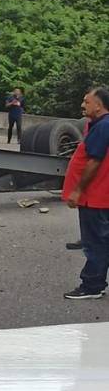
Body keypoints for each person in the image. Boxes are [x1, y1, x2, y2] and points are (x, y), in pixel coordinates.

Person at [62, 87, 109, 300]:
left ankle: (92, 285)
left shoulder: (103, 126)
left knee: (95, 242)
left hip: (95, 196)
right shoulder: (99, 125)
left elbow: (95, 160)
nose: (83, 105)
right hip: (99, 195)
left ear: (99, 105)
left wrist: (78, 190)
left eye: (87, 101)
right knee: (101, 239)